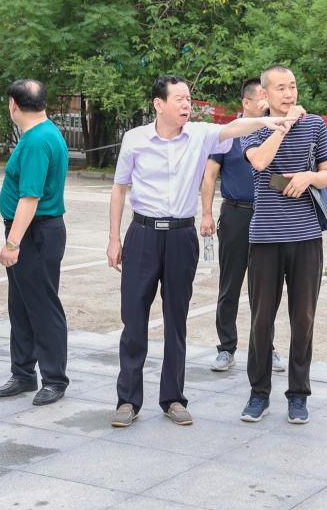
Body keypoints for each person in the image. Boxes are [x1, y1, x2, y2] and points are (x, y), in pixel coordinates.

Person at [106, 75, 292, 428]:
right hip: (142, 235)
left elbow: (235, 128)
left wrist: (269, 122)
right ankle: (128, 400)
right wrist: (114, 239)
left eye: (188, 99)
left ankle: (173, 398)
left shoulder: (200, 135)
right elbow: (119, 189)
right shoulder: (135, 139)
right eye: (179, 98)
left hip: (181, 237)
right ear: (159, 104)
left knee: (176, 320)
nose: (186, 104)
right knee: (134, 320)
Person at [239, 65, 327, 425]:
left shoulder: (316, 125)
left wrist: (309, 176)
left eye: (292, 86)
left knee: (303, 318)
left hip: (306, 236)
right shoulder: (253, 127)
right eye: (281, 88)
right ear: (265, 94)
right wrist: (284, 125)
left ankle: (298, 395)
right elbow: (261, 161)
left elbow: (326, 174)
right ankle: (258, 393)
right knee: (261, 318)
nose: (289, 93)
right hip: (265, 236)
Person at [199, 78, 284, 374]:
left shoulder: (274, 131)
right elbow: (210, 175)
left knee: (266, 287)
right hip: (236, 214)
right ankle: (226, 348)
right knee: (230, 284)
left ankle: (266, 348)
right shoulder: (228, 134)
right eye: (261, 96)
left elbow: (282, 173)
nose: (266, 101)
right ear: (246, 102)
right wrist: (206, 214)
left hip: (267, 216)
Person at [0, 79, 70, 406]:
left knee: (42, 307)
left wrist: (12, 244)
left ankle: (54, 379)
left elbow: (30, 198)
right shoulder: (40, 134)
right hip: (32, 230)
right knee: (21, 305)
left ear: (13, 104)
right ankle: (23, 372)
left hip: (35, 232)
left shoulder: (38, 140)